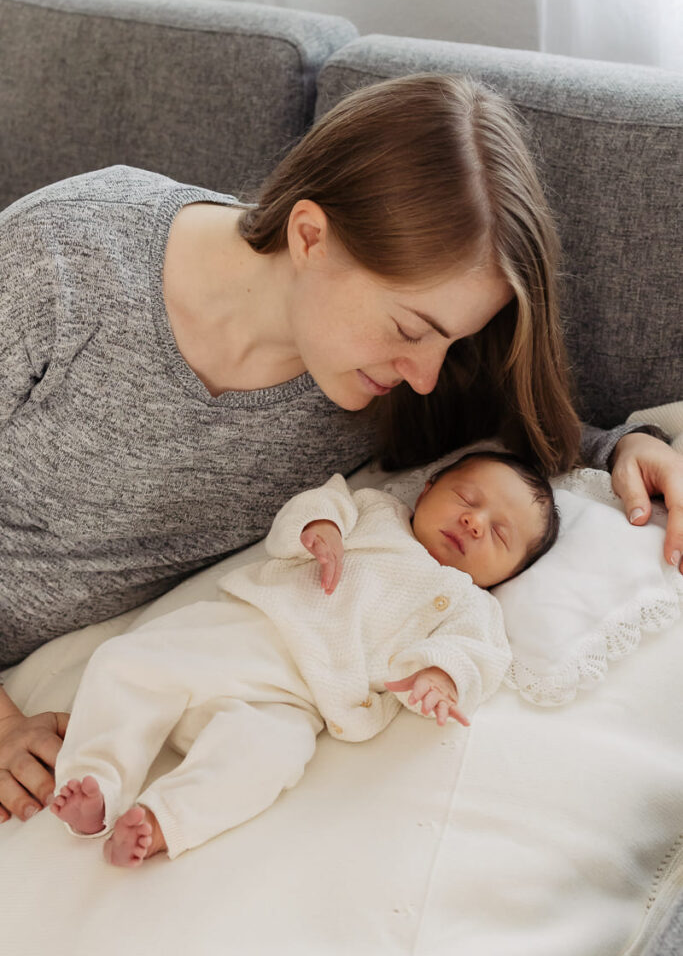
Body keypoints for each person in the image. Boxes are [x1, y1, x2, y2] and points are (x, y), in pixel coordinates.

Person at [1, 74, 681, 827]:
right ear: (309, 237)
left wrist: (634, 446)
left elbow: (523, 443)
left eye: (449, 341)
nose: (424, 376)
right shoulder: (65, 262)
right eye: (412, 329)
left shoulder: (379, 379)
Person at [49, 450, 558, 866]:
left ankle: (163, 821)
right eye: (467, 499)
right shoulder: (376, 512)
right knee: (127, 662)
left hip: (302, 701)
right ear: (426, 490)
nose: (474, 521)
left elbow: (475, 655)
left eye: (499, 534)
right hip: (244, 634)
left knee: (269, 758)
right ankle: (97, 782)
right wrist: (321, 527)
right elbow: (320, 502)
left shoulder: (472, 603)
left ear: (510, 572)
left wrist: (440, 677)